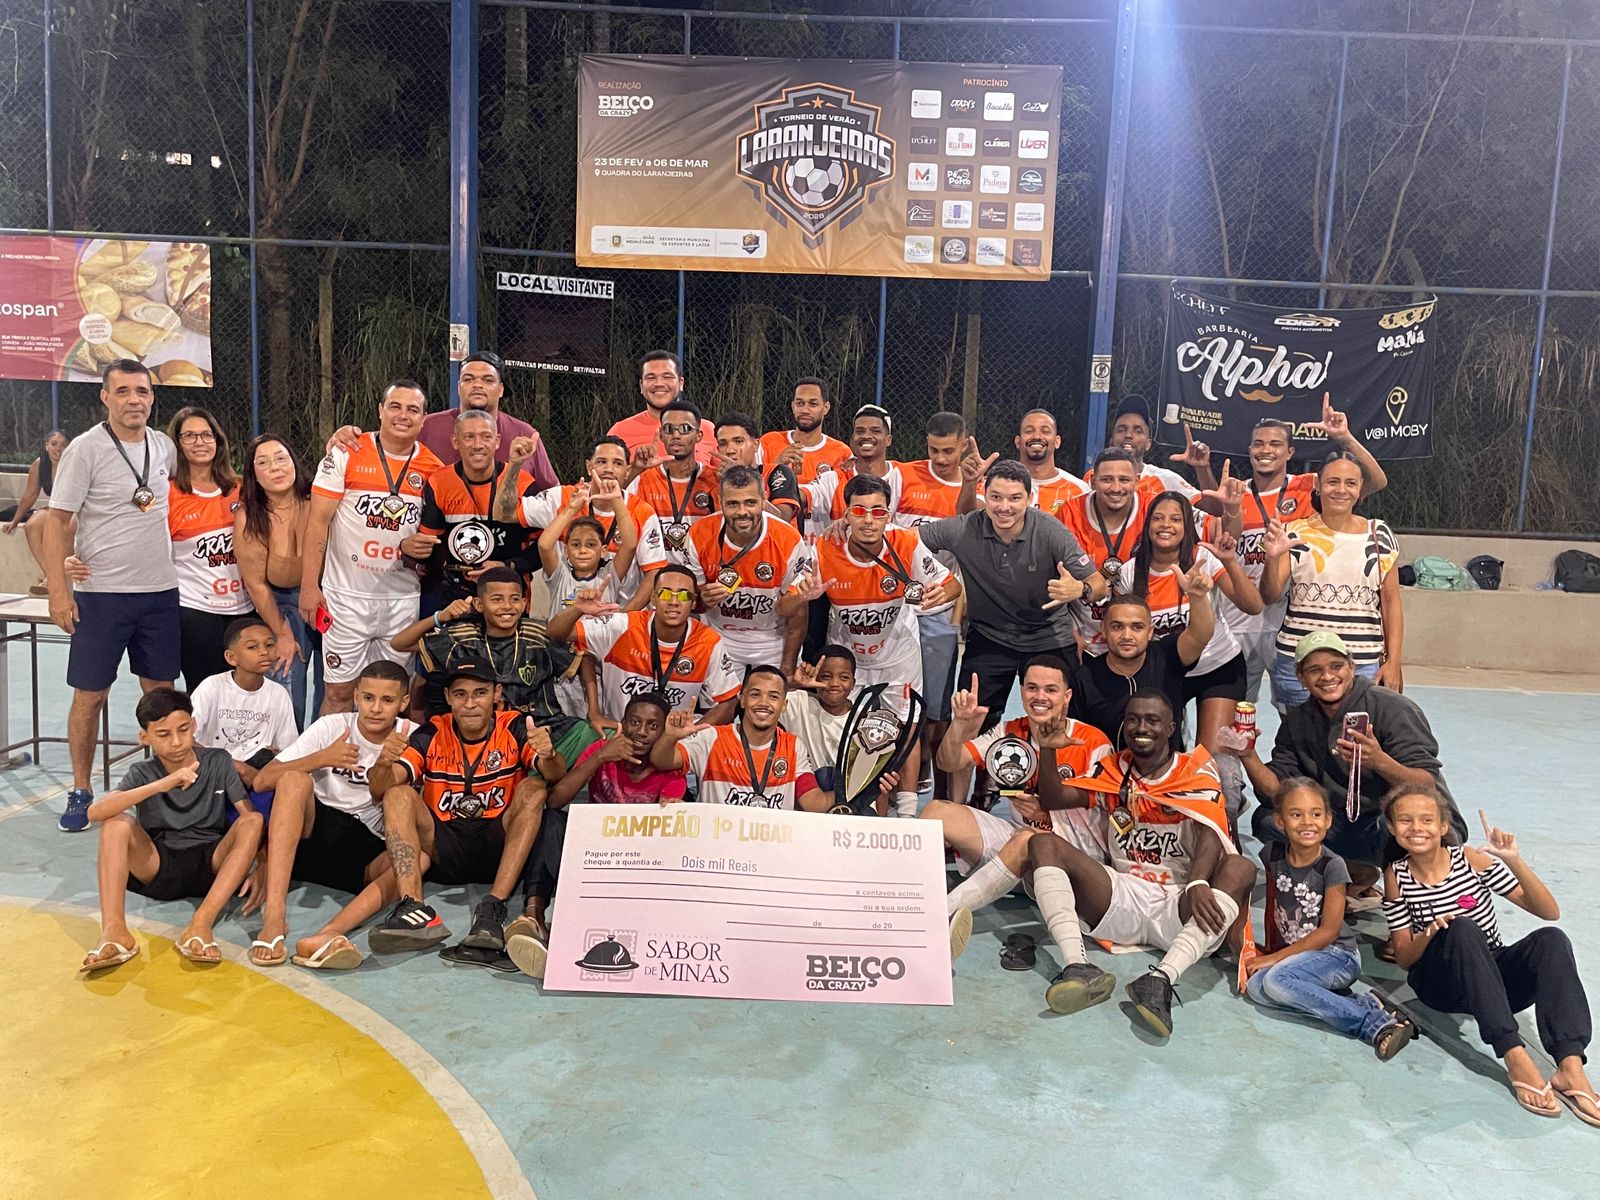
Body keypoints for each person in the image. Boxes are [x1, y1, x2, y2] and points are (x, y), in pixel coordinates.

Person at [1024, 691, 1255, 1035]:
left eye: (1152, 720)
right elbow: (1054, 798)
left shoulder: (1194, 769)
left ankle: (1160, 980)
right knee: (1042, 843)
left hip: (1179, 903)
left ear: (1171, 728)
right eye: (1133, 719)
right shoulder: (1112, 769)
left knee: (1240, 867)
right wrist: (1047, 750)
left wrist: (1197, 882)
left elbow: (1209, 827)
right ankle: (1077, 966)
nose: (1141, 727)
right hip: (1123, 896)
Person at [1383, 785, 1596, 1123]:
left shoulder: (1469, 859)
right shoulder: (1396, 875)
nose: (1417, 828)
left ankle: (1570, 1067)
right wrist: (1431, 931)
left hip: (1491, 979)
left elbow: (1549, 912)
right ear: (1392, 828)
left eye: (1426, 819)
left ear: (1443, 825)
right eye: (1405, 820)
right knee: (1461, 928)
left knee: (1551, 939)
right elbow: (1406, 959)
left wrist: (1513, 861)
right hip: (1441, 985)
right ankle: (1513, 1054)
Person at [47, 360, 181, 833]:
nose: (133, 400)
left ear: (152, 397)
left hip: (160, 594)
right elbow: (57, 519)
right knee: (90, 696)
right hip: (101, 596)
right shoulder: (85, 449)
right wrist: (59, 589)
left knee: (162, 697)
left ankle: (166, 788)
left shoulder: (163, 446)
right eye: (122, 391)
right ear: (105, 397)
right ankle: (81, 789)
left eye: (141, 391)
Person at [1232, 631, 1467, 879]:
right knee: (1271, 820)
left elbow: (1425, 785)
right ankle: (1352, 874)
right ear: (1300, 677)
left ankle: (1412, 884)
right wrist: (1248, 756)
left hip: (1390, 821)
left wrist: (1379, 761)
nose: (1327, 676)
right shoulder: (1297, 721)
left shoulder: (1393, 708)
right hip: (1342, 822)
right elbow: (1277, 793)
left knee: (1406, 821)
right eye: (1314, 670)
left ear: (1352, 667)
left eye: (1336, 666)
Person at [364, 658, 550, 957]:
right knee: (397, 794)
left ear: (496, 694)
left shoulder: (514, 725)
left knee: (534, 786)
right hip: (444, 847)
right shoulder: (431, 732)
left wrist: (549, 755)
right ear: (448, 697)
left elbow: (555, 773)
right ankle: (413, 908)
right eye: (460, 694)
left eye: (480, 693)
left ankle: (493, 907)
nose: (470, 703)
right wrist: (384, 763)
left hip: (497, 845)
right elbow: (379, 789)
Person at [244, 660, 416, 970]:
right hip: (314, 830)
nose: (376, 708)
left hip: (366, 844)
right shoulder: (331, 726)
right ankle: (274, 918)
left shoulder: (412, 736)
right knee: (294, 780)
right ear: (356, 696)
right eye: (368, 698)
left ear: (403, 703)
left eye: (387, 700)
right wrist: (322, 758)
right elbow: (262, 780)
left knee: (417, 859)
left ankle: (329, 933)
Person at [506, 692, 690, 980]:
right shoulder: (602, 750)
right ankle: (535, 916)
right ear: (622, 723)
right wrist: (600, 757)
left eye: (653, 726)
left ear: (664, 730)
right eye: (635, 722)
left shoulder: (671, 768)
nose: (642, 732)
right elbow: (555, 800)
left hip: (639, 864)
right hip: (593, 855)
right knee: (552, 820)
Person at [78, 687, 263, 973]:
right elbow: (94, 812)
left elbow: (247, 816)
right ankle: (115, 931)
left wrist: (262, 865)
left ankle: (200, 925)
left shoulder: (217, 760)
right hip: (158, 864)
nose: (176, 742)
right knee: (116, 823)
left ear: (194, 725)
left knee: (254, 821)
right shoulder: (142, 772)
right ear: (145, 738)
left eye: (183, 730)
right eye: (163, 735)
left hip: (211, 862)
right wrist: (162, 784)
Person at [916, 459, 1100, 732]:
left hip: (1047, 636)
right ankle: (976, 760)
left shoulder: (1051, 532)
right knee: (968, 721)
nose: (1004, 507)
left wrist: (1080, 589)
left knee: (1062, 723)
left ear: (1029, 498)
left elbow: (1099, 584)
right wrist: (939, 579)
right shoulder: (964, 528)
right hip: (989, 636)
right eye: (996, 497)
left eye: (1014, 498)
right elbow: (904, 540)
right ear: (985, 496)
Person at [1225, 404, 1388, 705]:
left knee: (1294, 707)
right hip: (1241, 617)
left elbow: (1375, 481)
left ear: (1289, 452)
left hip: (1291, 620)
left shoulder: (1309, 486)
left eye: (1275, 444)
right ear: (1249, 450)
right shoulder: (1234, 492)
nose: (1266, 450)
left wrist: (1345, 438)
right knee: (1237, 708)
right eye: (1259, 443)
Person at [1242, 778, 1416, 1060]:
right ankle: (1365, 1003)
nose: (1307, 822)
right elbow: (1275, 903)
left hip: (1337, 955)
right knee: (1257, 990)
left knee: (1276, 981)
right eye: (1296, 814)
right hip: (1299, 955)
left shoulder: (1332, 865)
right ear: (1280, 821)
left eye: (1316, 814)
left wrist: (1275, 958)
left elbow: (1329, 932)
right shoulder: (1272, 854)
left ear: (1327, 820)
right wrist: (1268, 950)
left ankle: (1373, 1024)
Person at [301, 380, 442, 715]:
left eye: (413, 410)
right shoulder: (347, 451)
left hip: (401, 599)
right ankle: (332, 753)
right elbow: (317, 522)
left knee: (393, 695)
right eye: (395, 406)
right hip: (345, 597)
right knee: (338, 693)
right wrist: (309, 586)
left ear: (423, 418)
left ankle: (384, 752)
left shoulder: (433, 468)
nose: (403, 416)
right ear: (380, 411)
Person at [1110, 492, 1259, 805]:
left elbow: (1253, 605)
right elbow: (1121, 624)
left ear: (1187, 526)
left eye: (1176, 519)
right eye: (1158, 518)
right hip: (1166, 671)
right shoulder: (1130, 573)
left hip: (1217, 665)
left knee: (1211, 761)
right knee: (1165, 753)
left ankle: (1226, 806)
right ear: (1147, 525)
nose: (1166, 525)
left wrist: (1229, 562)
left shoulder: (1204, 559)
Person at [924, 657, 1112, 896]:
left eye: (1051, 690)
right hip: (1020, 844)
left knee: (1028, 840)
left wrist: (1045, 813)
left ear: (1067, 696)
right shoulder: (1008, 731)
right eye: (1032, 688)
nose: (1040, 697)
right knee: (937, 811)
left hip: (1075, 853)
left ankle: (970, 895)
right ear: (1021, 691)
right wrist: (960, 724)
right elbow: (948, 762)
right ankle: (917, 895)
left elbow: (1102, 814)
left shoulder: (1092, 741)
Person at [780, 474, 955, 708]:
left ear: (888, 516)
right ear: (847, 515)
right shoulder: (825, 548)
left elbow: (952, 585)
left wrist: (941, 593)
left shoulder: (906, 542)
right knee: (844, 726)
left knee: (907, 725)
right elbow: (783, 608)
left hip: (899, 658)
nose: (869, 520)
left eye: (878, 512)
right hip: (847, 663)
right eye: (859, 511)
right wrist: (802, 598)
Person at [394, 566, 581, 769]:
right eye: (497, 599)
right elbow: (400, 643)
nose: (507, 606)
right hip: (486, 736)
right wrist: (440, 617)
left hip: (544, 729)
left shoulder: (539, 633)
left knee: (596, 738)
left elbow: (584, 659)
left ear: (524, 603)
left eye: (514, 599)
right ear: (479, 604)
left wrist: (595, 712)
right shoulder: (462, 637)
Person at [1261, 452, 1402, 707]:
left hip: (1362, 664)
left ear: (1360, 488)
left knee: (1357, 733)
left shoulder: (1379, 534)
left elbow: (1391, 602)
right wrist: (1272, 558)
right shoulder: (1294, 531)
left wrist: (1394, 661)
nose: (1341, 490)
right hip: (1300, 661)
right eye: (1333, 481)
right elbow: (1269, 595)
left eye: (1350, 483)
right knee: (1299, 732)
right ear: (1317, 484)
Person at [328, 350, 561, 490]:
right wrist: (347, 436)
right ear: (458, 387)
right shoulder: (427, 426)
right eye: (468, 379)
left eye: (487, 380)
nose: (477, 385)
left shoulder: (524, 434)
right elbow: (386, 444)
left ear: (501, 389)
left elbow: (551, 493)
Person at [548, 563, 742, 728]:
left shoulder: (708, 641)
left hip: (671, 743)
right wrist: (577, 609)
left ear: (693, 603)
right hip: (620, 735)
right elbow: (555, 632)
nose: (674, 602)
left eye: (683, 596)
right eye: (665, 594)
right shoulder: (622, 626)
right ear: (653, 599)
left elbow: (729, 702)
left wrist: (694, 733)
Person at [891, 413, 972, 791]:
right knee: (896, 693)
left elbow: (971, 525)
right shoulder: (903, 475)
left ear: (964, 445)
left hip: (937, 608)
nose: (940, 458)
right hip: (893, 606)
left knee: (937, 702)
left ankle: (929, 764)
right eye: (934, 450)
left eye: (949, 451)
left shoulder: (972, 487)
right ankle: (897, 764)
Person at [498, 434, 666, 598]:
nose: (608, 469)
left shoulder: (643, 512)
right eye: (601, 461)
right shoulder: (563, 498)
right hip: (566, 606)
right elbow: (504, 514)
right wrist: (515, 465)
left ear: (628, 471)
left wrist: (626, 614)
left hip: (618, 612)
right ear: (589, 467)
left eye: (617, 463)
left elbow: (651, 571)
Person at [683, 465, 807, 674]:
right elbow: (692, 603)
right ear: (720, 501)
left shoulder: (789, 539)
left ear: (764, 499)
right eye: (733, 504)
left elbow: (798, 613)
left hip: (772, 640)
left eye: (750, 502)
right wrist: (701, 600)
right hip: (720, 637)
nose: (742, 512)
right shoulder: (699, 534)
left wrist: (787, 670)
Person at [235, 434, 321, 729]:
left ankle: (324, 752)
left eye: (281, 458)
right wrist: (283, 635)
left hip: (327, 600)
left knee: (335, 690)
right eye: (263, 462)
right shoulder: (249, 517)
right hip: (280, 606)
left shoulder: (318, 500)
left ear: (294, 462)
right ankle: (286, 755)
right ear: (253, 474)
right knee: (287, 688)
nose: (275, 467)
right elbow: (256, 584)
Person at [651, 667, 829, 811]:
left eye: (773, 697)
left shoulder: (793, 746)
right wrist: (669, 737)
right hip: (717, 844)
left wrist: (846, 789)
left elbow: (814, 804)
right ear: (742, 700)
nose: (763, 703)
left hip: (770, 845)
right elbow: (661, 761)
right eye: (755, 694)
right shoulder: (711, 739)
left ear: (784, 705)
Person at [414, 407, 542, 606]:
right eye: (469, 437)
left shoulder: (523, 483)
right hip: (456, 596)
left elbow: (543, 548)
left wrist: (505, 565)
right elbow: (430, 548)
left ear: (497, 441)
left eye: (486, 437)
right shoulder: (439, 482)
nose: (478, 445)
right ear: (455, 441)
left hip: (508, 595)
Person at [166, 405, 252, 689]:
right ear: (177, 443)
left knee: (246, 691)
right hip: (196, 611)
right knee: (205, 692)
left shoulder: (241, 488)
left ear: (218, 440)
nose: (199, 442)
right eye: (189, 436)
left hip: (245, 608)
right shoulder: (167, 493)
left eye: (206, 435)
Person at [1069, 593, 1214, 748]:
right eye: (1117, 627)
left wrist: (1198, 595)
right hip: (1106, 762)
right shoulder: (1084, 678)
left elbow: (1201, 634)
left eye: (1137, 627)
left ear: (1150, 631)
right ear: (1103, 629)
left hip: (1168, 762)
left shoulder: (1168, 656)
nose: (1127, 635)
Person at [190, 617, 298, 818]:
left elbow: (287, 750)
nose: (264, 652)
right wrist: (235, 766)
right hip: (212, 772)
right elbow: (188, 740)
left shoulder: (278, 694)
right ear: (231, 657)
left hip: (256, 776)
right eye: (252, 647)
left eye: (269, 645)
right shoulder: (212, 687)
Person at [1058, 448, 1148, 654]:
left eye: (1124, 480)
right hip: (1082, 640)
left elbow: (1208, 527)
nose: (1116, 488)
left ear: (1137, 481)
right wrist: (1067, 630)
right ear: (1092, 481)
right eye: (1107, 479)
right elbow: (1049, 576)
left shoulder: (1154, 509)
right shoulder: (1069, 513)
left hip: (1137, 641)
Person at [626, 398, 720, 570]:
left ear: (698, 436)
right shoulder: (643, 480)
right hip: (655, 577)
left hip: (703, 576)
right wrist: (635, 471)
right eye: (669, 429)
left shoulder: (716, 480)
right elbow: (609, 508)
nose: (676, 435)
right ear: (661, 435)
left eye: (685, 429)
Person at [607, 349, 718, 469]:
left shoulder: (707, 429)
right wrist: (637, 470)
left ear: (681, 383)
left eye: (667, 377)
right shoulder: (620, 431)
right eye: (651, 377)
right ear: (641, 386)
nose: (659, 383)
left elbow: (725, 476)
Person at [797, 404, 902, 529]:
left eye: (875, 431)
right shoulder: (833, 480)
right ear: (852, 439)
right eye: (860, 431)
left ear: (888, 440)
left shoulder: (904, 477)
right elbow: (798, 495)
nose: (866, 436)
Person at [783, 648, 859, 795]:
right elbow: (760, 698)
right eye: (826, 676)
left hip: (851, 797)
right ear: (815, 678)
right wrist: (793, 683)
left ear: (853, 683)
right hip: (804, 796)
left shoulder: (864, 718)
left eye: (844, 677)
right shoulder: (797, 702)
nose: (835, 683)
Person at [1104, 395, 1209, 499]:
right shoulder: (1098, 478)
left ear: (1148, 444)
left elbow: (1211, 507)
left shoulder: (1166, 480)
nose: (1128, 435)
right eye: (1121, 430)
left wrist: (1203, 469)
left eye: (1138, 431)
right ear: (1111, 442)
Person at [2, 429, 68, 595]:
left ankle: (52, 578)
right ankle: (50, 576)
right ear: (46, 446)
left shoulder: (74, 463)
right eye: (54, 444)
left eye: (63, 445)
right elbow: (30, 495)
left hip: (77, 506)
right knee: (31, 525)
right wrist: (15, 520)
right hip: (56, 506)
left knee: (63, 528)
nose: (58, 449)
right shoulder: (39, 464)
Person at [758, 377, 851, 489]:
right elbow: (748, 487)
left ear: (826, 408)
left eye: (813, 404)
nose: (805, 410)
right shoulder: (768, 442)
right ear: (793, 407)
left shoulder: (841, 453)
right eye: (800, 403)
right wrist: (776, 465)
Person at [1015, 409, 1087, 515]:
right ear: (1018, 442)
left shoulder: (1079, 491)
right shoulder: (998, 485)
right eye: (1029, 431)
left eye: (1045, 431)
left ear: (1057, 441)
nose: (1037, 436)